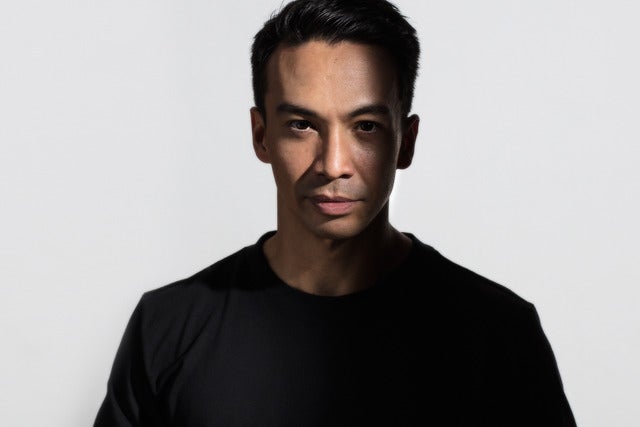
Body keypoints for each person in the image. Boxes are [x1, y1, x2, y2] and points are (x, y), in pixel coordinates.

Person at [94, 0, 577, 425]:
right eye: (302, 125)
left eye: (365, 126)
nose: (333, 164)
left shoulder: (498, 335)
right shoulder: (167, 328)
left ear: (405, 142)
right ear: (261, 136)